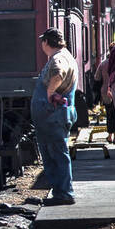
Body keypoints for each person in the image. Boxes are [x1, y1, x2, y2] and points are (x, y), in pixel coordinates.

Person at [30, 27, 78, 205]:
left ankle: (64, 193)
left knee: (57, 154)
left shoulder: (58, 58)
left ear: (46, 42)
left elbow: (58, 73)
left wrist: (50, 93)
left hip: (53, 115)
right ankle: (60, 192)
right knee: (56, 153)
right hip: (56, 115)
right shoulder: (67, 56)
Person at [93, 44, 115, 144]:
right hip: (114, 90)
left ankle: (110, 135)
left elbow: (96, 78)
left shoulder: (103, 63)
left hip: (106, 92)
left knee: (110, 114)